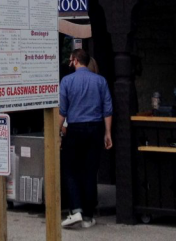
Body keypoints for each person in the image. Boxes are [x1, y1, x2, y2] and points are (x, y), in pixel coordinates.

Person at [59, 49, 113, 230]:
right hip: (96, 128)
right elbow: (107, 109)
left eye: (70, 59)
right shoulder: (100, 81)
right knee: (90, 172)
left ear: (74, 60)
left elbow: (62, 111)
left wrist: (56, 131)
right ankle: (89, 216)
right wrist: (108, 133)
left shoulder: (67, 81)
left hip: (75, 129)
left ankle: (76, 210)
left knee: (71, 170)